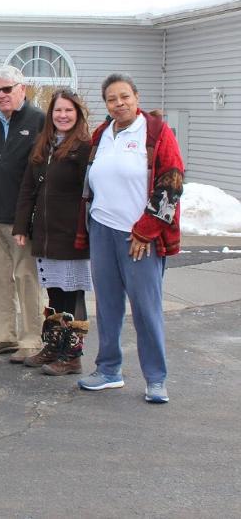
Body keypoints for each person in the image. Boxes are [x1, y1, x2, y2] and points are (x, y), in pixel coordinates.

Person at [74, 74, 183, 404]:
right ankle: (108, 370)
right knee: (107, 307)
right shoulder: (101, 134)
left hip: (139, 237)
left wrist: (145, 231)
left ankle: (156, 378)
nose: (118, 103)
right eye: (111, 99)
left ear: (137, 97)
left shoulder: (156, 133)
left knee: (146, 309)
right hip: (102, 230)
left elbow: (171, 184)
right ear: (105, 104)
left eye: (124, 96)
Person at [12, 88, 93, 375]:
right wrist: (22, 225)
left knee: (73, 293)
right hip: (46, 232)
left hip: (72, 233)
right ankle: (54, 345)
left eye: (69, 110)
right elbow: (27, 188)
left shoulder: (84, 146)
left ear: (78, 114)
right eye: (58, 110)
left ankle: (72, 355)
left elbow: (92, 191)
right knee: (55, 293)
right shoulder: (43, 144)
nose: (63, 115)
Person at [0, 66, 46, 363]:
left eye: (7, 89)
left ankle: (31, 339)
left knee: (26, 277)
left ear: (22, 89)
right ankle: (3, 336)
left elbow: (41, 172)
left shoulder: (39, 121)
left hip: (22, 220)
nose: (1, 95)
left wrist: (32, 216)